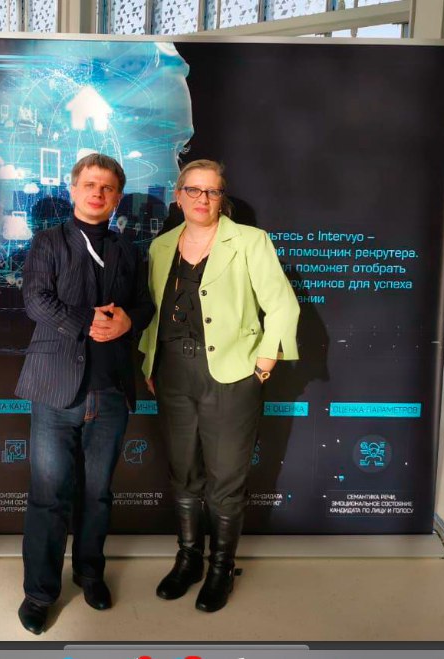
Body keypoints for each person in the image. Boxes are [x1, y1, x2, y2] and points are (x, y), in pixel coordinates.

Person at [139, 159, 299, 613]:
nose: (202, 199)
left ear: (221, 198)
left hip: (231, 376)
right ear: (178, 196)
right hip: (172, 374)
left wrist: (262, 366)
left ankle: (221, 568)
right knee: (184, 473)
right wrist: (150, 359)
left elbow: (282, 306)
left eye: (211, 191)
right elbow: (153, 308)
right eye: (193, 190)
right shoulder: (161, 246)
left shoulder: (250, 241)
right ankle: (188, 559)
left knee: (226, 480)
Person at [15, 153, 154, 634]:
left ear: (117, 197)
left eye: (107, 187)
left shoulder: (128, 250)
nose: (98, 193)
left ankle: (90, 575)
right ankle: (39, 593)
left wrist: (129, 320)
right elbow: (35, 300)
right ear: (73, 189)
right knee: (48, 498)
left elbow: (145, 305)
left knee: (97, 497)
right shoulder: (48, 242)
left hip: (110, 393)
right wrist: (85, 321)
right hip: (55, 392)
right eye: (90, 184)